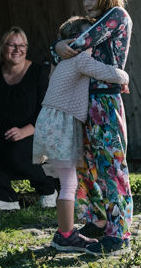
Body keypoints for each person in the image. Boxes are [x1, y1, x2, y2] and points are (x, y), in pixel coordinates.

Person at [54, 0, 134, 254]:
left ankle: (120, 233)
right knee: (89, 166)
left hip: (106, 103)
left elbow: (78, 45)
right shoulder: (95, 21)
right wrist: (60, 46)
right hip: (87, 101)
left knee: (112, 169)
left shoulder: (116, 17)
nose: (86, 4)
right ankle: (99, 222)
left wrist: (60, 45)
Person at [34, 16, 130, 253]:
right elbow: (109, 73)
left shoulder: (63, 62)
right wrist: (125, 77)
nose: (93, 42)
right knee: (68, 183)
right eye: (89, 38)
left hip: (52, 121)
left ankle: (67, 232)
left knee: (67, 180)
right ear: (77, 41)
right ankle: (65, 235)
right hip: (61, 123)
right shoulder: (80, 60)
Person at [0, 27, 57, 213]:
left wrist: (25, 130)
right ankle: (5, 196)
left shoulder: (38, 73)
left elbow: (47, 111)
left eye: (22, 45)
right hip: (3, 134)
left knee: (15, 155)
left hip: (34, 133)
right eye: (12, 45)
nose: (18, 49)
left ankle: (48, 189)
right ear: (3, 48)